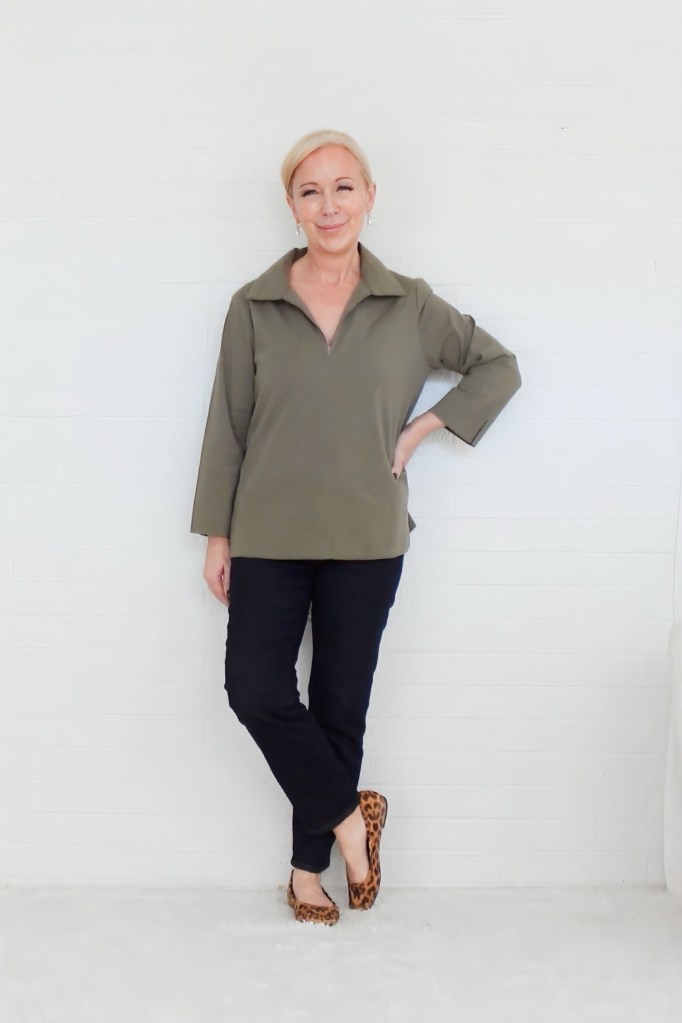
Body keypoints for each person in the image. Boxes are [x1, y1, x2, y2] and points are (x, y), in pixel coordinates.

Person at [190, 129, 521, 926]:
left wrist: (421, 429)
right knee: (256, 689)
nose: (329, 205)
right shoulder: (254, 305)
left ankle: (308, 873)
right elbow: (227, 423)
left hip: (369, 536)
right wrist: (217, 534)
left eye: (344, 188)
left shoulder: (410, 303)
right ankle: (350, 820)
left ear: (370, 198)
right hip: (267, 531)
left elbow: (497, 365)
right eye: (311, 191)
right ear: (292, 207)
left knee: (340, 705)